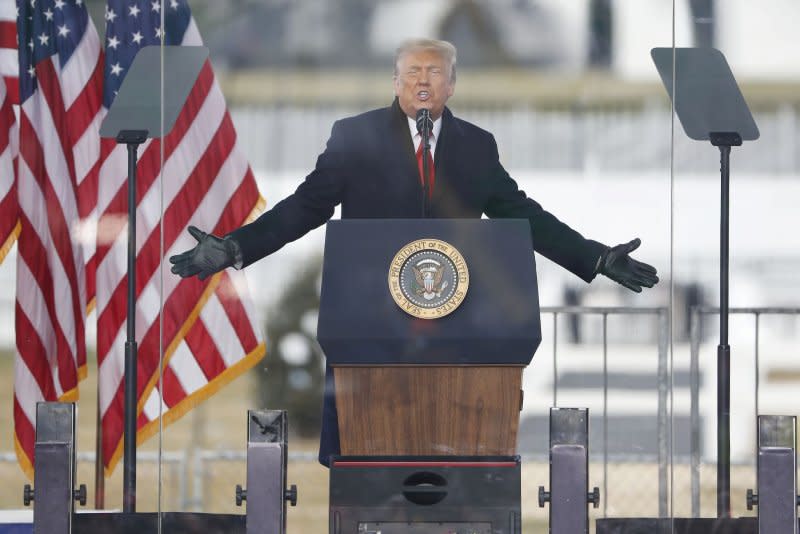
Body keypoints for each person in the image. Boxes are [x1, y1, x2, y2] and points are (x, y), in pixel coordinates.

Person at [170, 38, 658, 465]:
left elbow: (522, 214)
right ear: (395, 81)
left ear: (452, 84)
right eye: (412, 72)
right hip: (369, 327)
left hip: (458, 334)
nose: (422, 81)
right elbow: (305, 207)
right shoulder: (354, 137)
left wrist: (593, 258)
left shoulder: (476, 146)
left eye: (434, 72)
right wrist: (236, 246)